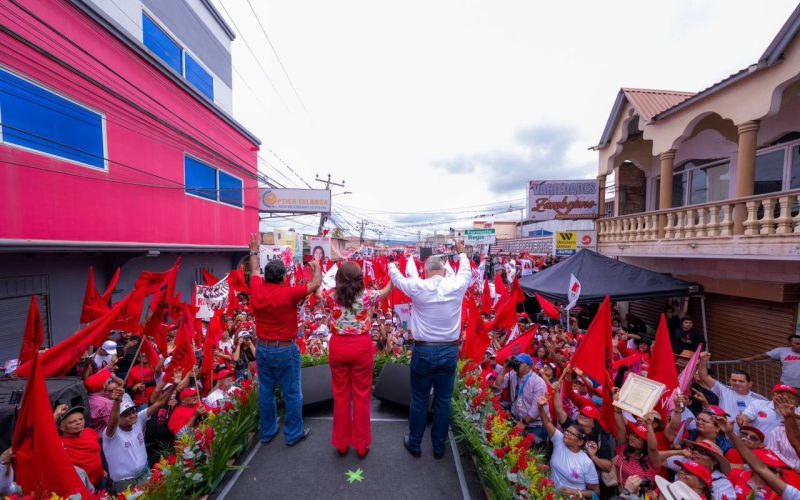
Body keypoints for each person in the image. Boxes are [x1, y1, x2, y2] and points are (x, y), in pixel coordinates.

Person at [389, 241, 471, 459]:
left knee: (419, 399)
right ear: (444, 271)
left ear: (425, 272)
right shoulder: (456, 285)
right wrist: (462, 253)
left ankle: (415, 444)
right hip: (449, 351)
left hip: (424, 352)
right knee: (443, 401)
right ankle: (438, 447)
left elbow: (397, 279)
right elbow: (466, 270)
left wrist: (391, 264)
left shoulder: (418, 286)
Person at [248, 233, 321, 446]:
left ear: (266, 276)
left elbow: (253, 269)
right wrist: (316, 266)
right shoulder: (288, 294)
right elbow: (315, 284)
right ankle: (293, 434)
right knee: (292, 393)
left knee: (266, 391)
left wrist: (253, 250)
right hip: (285, 350)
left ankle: (268, 432)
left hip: (262, 348)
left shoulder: (256, 289)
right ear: (282, 278)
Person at [325, 261, 393, 458]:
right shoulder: (368, 296)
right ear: (360, 279)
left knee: (340, 396)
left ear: (338, 279)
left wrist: (316, 270)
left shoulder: (330, 296)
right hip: (361, 347)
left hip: (338, 347)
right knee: (362, 396)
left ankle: (341, 443)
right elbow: (387, 290)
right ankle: (361, 445)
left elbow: (315, 288)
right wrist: (393, 272)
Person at [103, 379, 176, 493]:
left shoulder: (138, 419)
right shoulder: (111, 432)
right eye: (126, 414)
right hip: (125, 484)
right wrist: (117, 401)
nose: (132, 416)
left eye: (133, 411)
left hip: (145, 473)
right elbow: (113, 421)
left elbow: (160, 402)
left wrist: (175, 384)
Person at [536, 394, 600, 498]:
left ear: (579, 442)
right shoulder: (559, 441)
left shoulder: (586, 463)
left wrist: (575, 492)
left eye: (571, 434)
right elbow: (546, 422)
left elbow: (595, 492)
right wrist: (540, 407)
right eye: (567, 431)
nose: (566, 434)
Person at [492, 354, 548, 443]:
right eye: (516, 361)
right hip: (518, 421)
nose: (516, 364)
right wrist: (504, 369)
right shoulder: (513, 374)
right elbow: (498, 385)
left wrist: (524, 423)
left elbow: (536, 409)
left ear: (528, 367)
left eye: (520, 362)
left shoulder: (538, 382)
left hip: (534, 426)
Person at [698, 352, 766, 424]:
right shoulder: (724, 390)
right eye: (734, 380)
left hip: (747, 433)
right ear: (729, 381)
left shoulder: (759, 399)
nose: (737, 383)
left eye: (741, 381)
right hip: (725, 431)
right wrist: (703, 360)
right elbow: (703, 377)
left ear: (750, 384)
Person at [53, 405, 104, 490]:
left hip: (101, 482)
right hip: (82, 488)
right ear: (62, 427)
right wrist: (56, 415)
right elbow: (43, 435)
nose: (79, 423)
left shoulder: (90, 432)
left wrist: (102, 470)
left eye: (81, 419)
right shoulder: (59, 443)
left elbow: (97, 454)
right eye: (72, 422)